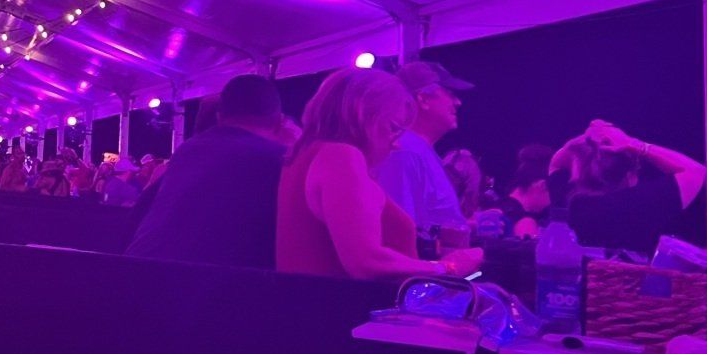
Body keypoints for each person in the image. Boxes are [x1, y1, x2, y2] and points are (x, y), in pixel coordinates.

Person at [276, 67, 482, 280]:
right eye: (393, 127)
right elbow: (365, 261)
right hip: (346, 310)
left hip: (312, 305)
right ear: (363, 114)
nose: (396, 145)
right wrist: (447, 267)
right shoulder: (341, 155)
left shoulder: (306, 153)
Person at [126, 75, 292, 267]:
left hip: (135, 276)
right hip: (210, 288)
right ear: (279, 122)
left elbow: (138, 215)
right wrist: (298, 146)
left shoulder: (187, 151)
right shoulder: (281, 160)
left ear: (220, 116)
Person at [551, 119, 706, 253]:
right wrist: (634, 144)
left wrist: (589, 137)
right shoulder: (642, 203)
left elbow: (558, 161)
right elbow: (696, 171)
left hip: (579, 287)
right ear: (630, 176)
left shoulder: (570, 202)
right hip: (635, 287)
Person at [371, 60, 473, 233]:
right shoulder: (404, 152)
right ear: (423, 99)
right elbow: (398, 234)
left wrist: (465, 226)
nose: (458, 102)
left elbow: (426, 222)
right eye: (449, 93)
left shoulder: (418, 150)